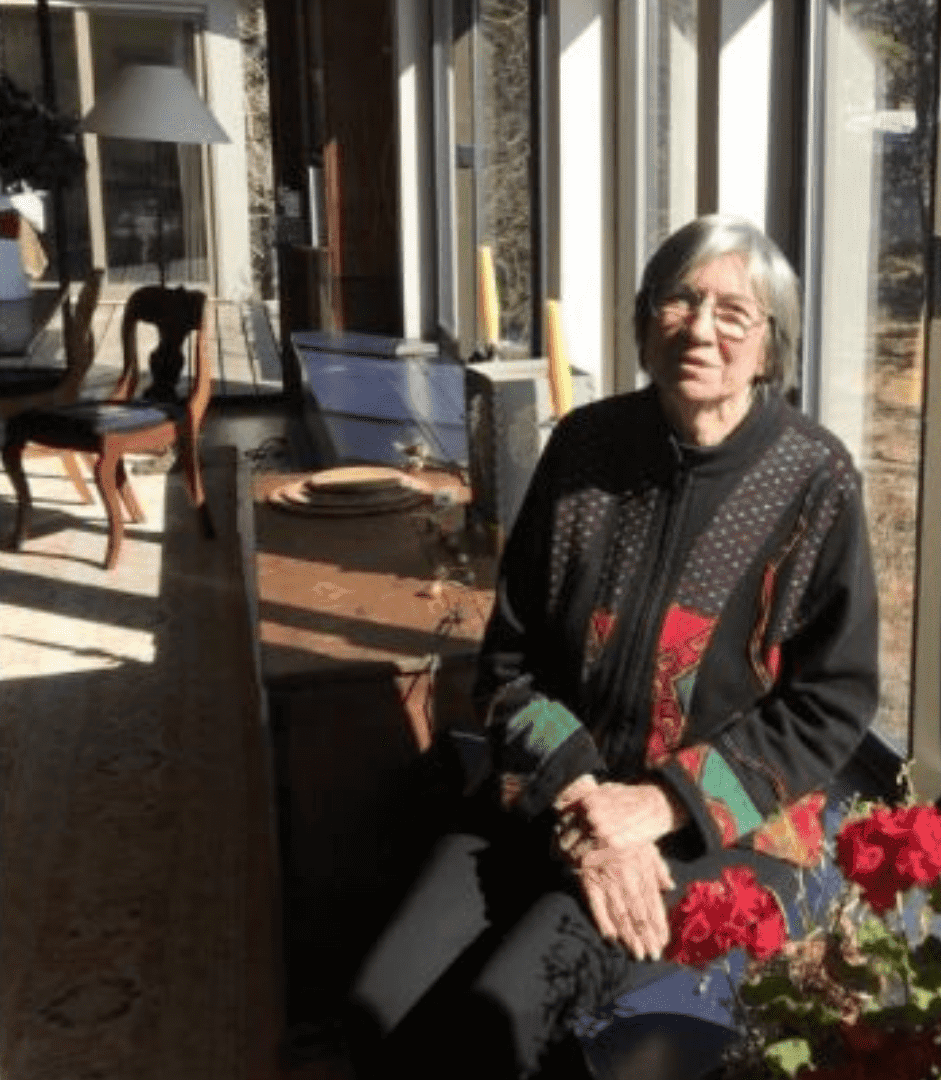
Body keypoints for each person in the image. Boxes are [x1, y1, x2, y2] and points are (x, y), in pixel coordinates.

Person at [343, 214, 879, 1078]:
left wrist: (661, 806)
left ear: (771, 344)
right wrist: (585, 798)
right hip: (555, 795)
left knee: (502, 1026)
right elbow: (510, 664)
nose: (701, 328)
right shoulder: (586, 446)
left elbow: (834, 702)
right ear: (645, 320)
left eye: (735, 312)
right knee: (374, 1011)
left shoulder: (816, 483)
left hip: (714, 836)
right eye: (679, 300)